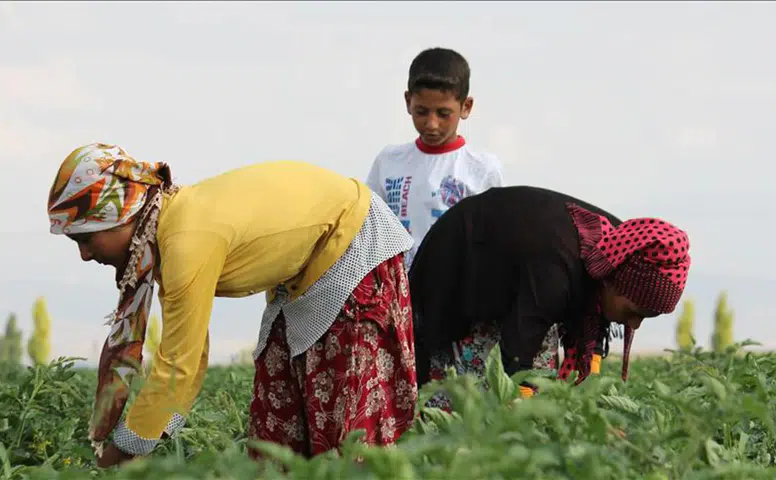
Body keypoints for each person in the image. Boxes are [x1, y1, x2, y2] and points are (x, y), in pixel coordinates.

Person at [46, 143, 418, 466]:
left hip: (352, 246)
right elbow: (187, 358)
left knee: (344, 427)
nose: (84, 255)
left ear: (120, 217)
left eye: (86, 238)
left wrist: (124, 452)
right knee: (277, 421)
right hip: (303, 270)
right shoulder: (168, 231)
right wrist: (137, 442)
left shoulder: (184, 241)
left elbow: (180, 362)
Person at [408, 186, 691, 410]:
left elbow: (591, 337)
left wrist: (586, 405)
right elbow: (519, 352)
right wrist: (522, 408)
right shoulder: (557, 271)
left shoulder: (618, 250)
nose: (635, 324)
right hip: (461, 260)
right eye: (634, 312)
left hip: (514, 275)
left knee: (538, 382)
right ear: (617, 284)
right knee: (460, 393)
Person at [366, 47, 504, 270]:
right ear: (408, 102)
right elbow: (370, 233)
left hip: (456, 293)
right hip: (399, 295)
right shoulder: (388, 162)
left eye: (443, 113)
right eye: (422, 112)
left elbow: (494, 241)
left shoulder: (482, 168)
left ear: (465, 107)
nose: (431, 124)